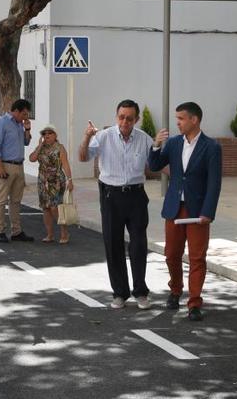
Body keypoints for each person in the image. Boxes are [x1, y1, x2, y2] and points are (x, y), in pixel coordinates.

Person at [148, 102, 222, 322]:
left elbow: (214, 183)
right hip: (174, 208)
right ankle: (176, 290)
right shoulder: (172, 144)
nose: (177, 122)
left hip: (198, 211)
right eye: (177, 118)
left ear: (194, 120)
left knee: (197, 258)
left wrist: (208, 212)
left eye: (181, 118)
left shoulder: (212, 147)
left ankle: (195, 303)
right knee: (171, 254)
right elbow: (154, 166)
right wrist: (156, 145)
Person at [78, 99, 154, 310]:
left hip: (136, 196)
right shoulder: (103, 137)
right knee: (113, 244)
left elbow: (157, 164)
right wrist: (86, 137)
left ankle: (140, 292)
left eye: (130, 118)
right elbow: (83, 157)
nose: (125, 122)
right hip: (111, 196)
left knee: (139, 244)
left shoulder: (144, 140)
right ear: (116, 116)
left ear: (136, 119)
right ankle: (120, 293)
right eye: (121, 117)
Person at [0, 99, 34, 243]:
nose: (25, 117)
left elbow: (26, 142)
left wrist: (27, 129)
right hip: (6, 165)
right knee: (2, 200)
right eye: (24, 114)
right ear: (16, 111)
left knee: (16, 200)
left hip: (19, 166)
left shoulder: (19, 124)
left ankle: (16, 231)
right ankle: (0, 230)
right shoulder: (2, 123)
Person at [28, 124, 74, 244]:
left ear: (55, 135)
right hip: (43, 181)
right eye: (44, 134)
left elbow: (65, 164)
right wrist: (39, 146)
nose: (47, 136)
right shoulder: (41, 148)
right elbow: (32, 159)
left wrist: (70, 179)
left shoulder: (60, 148)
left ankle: (64, 232)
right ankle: (50, 234)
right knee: (45, 207)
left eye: (49, 133)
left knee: (55, 207)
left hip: (57, 180)